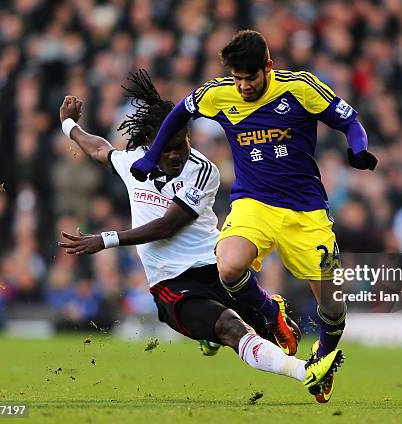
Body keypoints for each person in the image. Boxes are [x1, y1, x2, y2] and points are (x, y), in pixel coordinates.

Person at [57, 70, 343, 398]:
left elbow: (169, 225)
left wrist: (106, 239)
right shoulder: (133, 161)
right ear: (152, 144)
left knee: (284, 336)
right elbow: (98, 149)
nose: (178, 154)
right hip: (172, 282)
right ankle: (307, 373)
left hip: (215, 270)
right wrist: (69, 125)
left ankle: (266, 314)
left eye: (183, 144)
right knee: (231, 329)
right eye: (168, 149)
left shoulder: (202, 170)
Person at [130, 30, 376, 403]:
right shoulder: (218, 92)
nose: (243, 86)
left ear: (268, 67)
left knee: (331, 303)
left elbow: (349, 121)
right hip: (253, 203)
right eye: (237, 78)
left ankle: (324, 359)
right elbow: (179, 111)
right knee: (228, 266)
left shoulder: (301, 87)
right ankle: (267, 308)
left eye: (250, 77)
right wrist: (151, 157)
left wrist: (357, 149)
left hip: (306, 211)